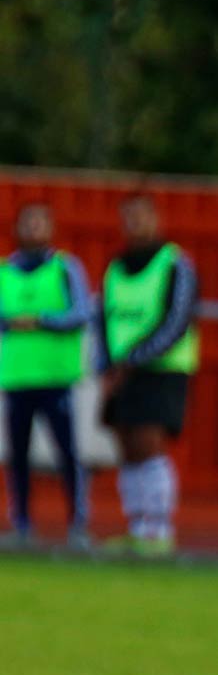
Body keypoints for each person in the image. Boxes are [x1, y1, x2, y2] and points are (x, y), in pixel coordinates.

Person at [99, 193, 199, 556]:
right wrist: (107, 365)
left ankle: (159, 529)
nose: (134, 224)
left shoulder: (174, 263)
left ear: (156, 218)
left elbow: (176, 319)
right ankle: (137, 525)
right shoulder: (116, 266)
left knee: (149, 442)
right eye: (128, 217)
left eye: (141, 216)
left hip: (162, 370)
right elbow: (104, 317)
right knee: (126, 445)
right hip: (122, 370)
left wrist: (135, 357)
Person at [0, 203, 93, 547]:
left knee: (67, 453)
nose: (34, 229)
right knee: (18, 455)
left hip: (56, 377)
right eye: (28, 223)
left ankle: (78, 525)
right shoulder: (5, 272)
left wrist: (41, 320)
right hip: (17, 377)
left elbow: (82, 312)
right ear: (18, 228)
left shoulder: (65, 268)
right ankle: (21, 524)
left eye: (40, 222)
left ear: (50, 228)